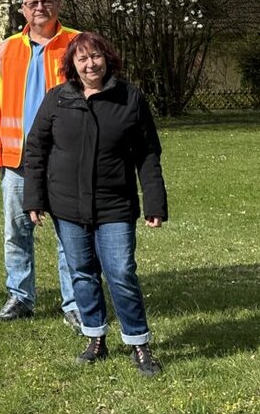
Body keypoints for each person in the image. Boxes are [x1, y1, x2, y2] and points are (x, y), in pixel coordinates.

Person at [22, 31, 167, 377]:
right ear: (72, 64)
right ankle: (95, 338)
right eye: (83, 59)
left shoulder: (129, 99)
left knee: (120, 272)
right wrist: (34, 198)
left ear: (108, 59)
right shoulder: (58, 99)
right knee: (82, 273)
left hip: (115, 205)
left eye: (96, 56)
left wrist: (155, 202)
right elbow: (36, 150)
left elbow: (148, 154)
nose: (91, 64)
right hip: (67, 207)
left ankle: (139, 343)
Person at [0, 0, 81, 329]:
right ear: (22, 9)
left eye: (46, 1)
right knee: (16, 232)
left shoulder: (77, 44)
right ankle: (20, 298)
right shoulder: (6, 49)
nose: (40, 8)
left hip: (67, 158)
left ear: (58, 5)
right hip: (19, 160)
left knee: (70, 232)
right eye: (32, 3)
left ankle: (75, 302)